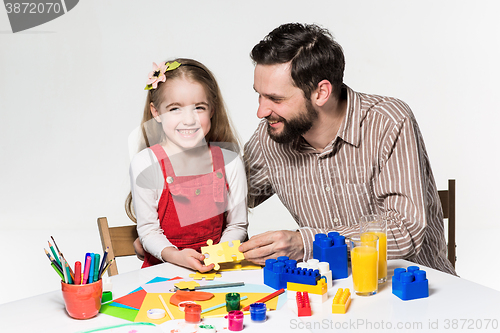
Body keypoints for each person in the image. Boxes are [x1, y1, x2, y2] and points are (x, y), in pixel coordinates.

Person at [238, 23, 456, 275]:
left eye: (276, 99)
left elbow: (404, 230)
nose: (261, 111)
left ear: (321, 92)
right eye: (259, 95)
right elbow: (223, 201)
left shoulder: (388, 121)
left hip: (415, 288)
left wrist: (306, 243)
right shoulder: (271, 136)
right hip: (332, 291)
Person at [127, 58, 248, 272]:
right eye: (175, 109)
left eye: (199, 108)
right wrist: (176, 256)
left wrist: (217, 255)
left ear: (212, 110)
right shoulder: (146, 162)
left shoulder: (230, 161)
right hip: (164, 273)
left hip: (219, 269)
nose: (189, 120)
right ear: (156, 112)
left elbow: (237, 225)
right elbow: (148, 231)